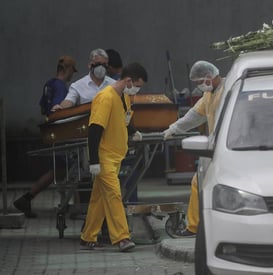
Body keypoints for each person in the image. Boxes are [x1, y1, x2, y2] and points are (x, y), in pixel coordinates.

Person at [80, 62, 148, 252]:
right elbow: (94, 130)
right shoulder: (105, 98)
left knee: (99, 198)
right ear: (128, 80)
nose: (137, 89)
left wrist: (133, 131)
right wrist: (94, 161)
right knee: (114, 194)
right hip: (104, 157)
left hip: (116, 155)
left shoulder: (124, 96)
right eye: (137, 85)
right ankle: (122, 237)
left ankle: (88, 237)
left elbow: (124, 119)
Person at [163, 60, 224, 237]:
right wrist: (173, 128)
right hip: (214, 149)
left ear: (209, 77)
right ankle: (196, 226)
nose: (198, 86)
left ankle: (199, 226)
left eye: (199, 82)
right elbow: (194, 116)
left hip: (226, 149)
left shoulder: (229, 91)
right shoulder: (209, 95)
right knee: (199, 182)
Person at [13, 55, 78, 218]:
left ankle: (26, 198)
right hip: (61, 133)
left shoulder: (49, 84)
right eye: (72, 71)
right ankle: (75, 206)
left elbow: (44, 109)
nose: (72, 75)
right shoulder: (61, 87)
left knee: (58, 171)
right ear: (67, 69)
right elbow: (59, 110)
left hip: (50, 132)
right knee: (73, 168)